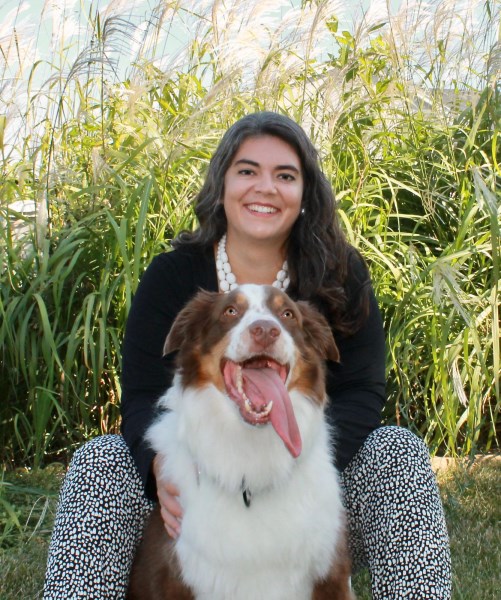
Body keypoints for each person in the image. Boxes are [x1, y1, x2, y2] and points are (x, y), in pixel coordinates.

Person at [43, 111, 451, 599]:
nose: (265, 187)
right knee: (99, 461)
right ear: (222, 185)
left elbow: (364, 388)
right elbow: (142, 394)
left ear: (304, 195)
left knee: (398, 453)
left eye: (285, 176)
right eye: (247, 171)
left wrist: (302, 466)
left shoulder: (341, 272)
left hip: (311, 482)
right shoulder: (172, 276)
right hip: (196, 476)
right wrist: (159, 468)